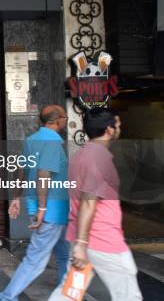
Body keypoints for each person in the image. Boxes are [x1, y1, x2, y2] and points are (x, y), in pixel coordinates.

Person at [48, 108, 142, 301]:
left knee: (70, 293)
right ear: (109, 130)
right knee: (128, 294)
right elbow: (88, 202)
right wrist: (82, 245)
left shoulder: (80, 156)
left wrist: (80, 244)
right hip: (103, 241)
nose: (119, 128)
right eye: (117, 125)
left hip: (83, 237)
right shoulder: (99, 159)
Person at [0, 105, 70, 301]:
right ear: (57, 120)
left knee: (65, 255)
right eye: (65, 116)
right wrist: (42, 209)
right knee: (35, 260)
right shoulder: (52, 142)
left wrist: (16, 198)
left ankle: (66, 293)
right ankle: (6, 297)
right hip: (50, 212)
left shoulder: (32, 140)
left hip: (57, 210)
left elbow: (21, 170)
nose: (66, 120)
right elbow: (43, 174)